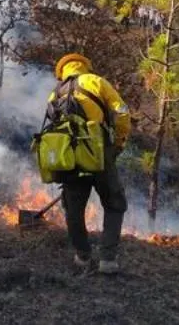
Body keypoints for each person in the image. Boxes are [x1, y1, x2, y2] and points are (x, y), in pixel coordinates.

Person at [47, 53, 131, 274]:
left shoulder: (54, 94)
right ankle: (108, 260)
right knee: (114, 203)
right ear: (85, 66)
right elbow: (122, 111)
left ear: (62, 72)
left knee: (73, 209)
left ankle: (82, 256)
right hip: (99, 154)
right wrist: (120, 142)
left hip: (70, 159)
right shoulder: (96, 81)